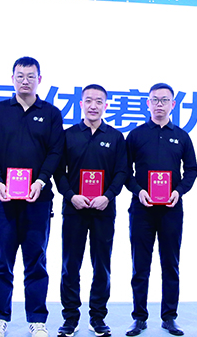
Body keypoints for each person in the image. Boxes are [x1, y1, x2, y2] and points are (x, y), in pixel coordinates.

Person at [0, 56, 64, 337]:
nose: (25, 81)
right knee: (1, 261)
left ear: (39, 80)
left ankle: (37, 319)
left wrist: (41, 180)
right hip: (2, 200)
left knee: (36, 261)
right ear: (12, 78)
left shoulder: (51, 113)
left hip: (37, 200)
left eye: (30, 76)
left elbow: (55, 151)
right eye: (20, 76)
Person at [124, 83, 197, 337]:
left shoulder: (182, 136)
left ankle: (169, 317)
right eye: (155, 100)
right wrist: (138, 190)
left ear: (173, 104)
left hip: (171, 209)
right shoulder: (136, 135)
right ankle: (139, 317)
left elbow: (191, 170)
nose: (159, 104)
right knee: (140, 265)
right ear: (147, 103)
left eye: (164, 100)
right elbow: (124, 171)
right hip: (142, 208)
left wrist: (179, 191)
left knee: (171, 263)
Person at [54, 84, 128, 337]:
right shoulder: (68, 135)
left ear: (106, 105)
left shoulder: (116, 137)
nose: (93, 105)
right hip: (74, 209)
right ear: (81, 104)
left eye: (98, 101)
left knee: (102, 265)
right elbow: (58, 172)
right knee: (70, 265)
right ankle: (70, 317)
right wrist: (71, 196)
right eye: (88, 100)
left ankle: (97, 317)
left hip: (103, 210)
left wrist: (108, 196)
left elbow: (121, 172)